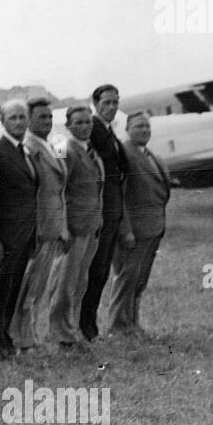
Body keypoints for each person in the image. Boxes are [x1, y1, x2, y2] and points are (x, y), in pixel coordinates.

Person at [0, 99, 38, 360]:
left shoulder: (23, 150)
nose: (18, 122)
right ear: (2, 121)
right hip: (7, 235)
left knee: (12, 290)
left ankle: (4, 339)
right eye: (13, 118)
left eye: (22, 117)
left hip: (25, 233)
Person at [10, 98, 68, 350]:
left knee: (40, 286)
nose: (47, 121)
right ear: (29, 119)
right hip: (40, 227)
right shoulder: (29, 148)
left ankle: (30, 333)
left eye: (49, 117)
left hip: (54, 225)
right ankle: (21, 336)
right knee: (29, 286)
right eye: (41, 117)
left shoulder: (52, 145)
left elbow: (59, 189)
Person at [46, 106, 105, 347]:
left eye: (87, 122)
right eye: (78, 122)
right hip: (73, 226)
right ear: (68, 126)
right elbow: (59, 188)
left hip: (91, 225)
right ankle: (60, 333)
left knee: (80, 282)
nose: (84, 126)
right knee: (64, 283)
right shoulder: (64, 148)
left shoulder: (91, 151)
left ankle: (72, 329)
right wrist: (63, 226)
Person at [108, 113, 171, 335]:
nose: (144, 130)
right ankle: (119, 325)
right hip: (133, 231)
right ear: (127, 129)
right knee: (127, 278)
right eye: (138, 126)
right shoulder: (124, 154)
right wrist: (125, 230)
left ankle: (132, 324)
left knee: (139, 280)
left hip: (152, 228)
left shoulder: (151, 155)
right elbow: (118, 196)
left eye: (146, 126)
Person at [80, 84, 127, 341]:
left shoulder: (108, 131)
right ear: (95, 104)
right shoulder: (94, 129)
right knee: (95, 271)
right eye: (107, 102)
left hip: (112, 211)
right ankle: (84, 327)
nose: (112, 107)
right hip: (101, 210)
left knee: (101, 272)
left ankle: (89, 326)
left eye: (115, 102)